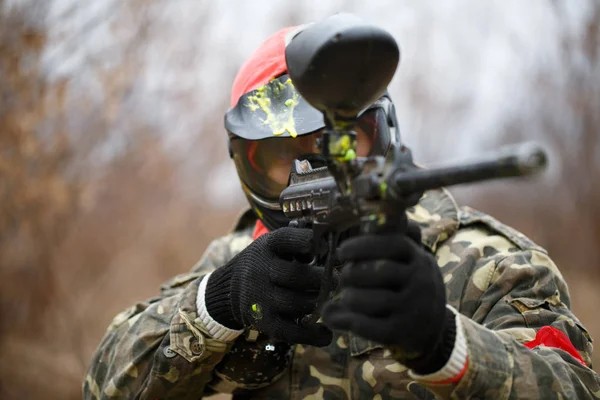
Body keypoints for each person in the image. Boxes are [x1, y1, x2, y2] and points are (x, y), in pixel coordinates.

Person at [83, 21, 600, 400]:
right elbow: (104, 384)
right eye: (284, 157)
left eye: (340, 145)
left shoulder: (488, 264)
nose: (315, 173)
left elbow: (574, 387)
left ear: (384, 136)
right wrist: (216, 305)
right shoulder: (236, 260)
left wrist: (444, 344)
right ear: (244, 165)